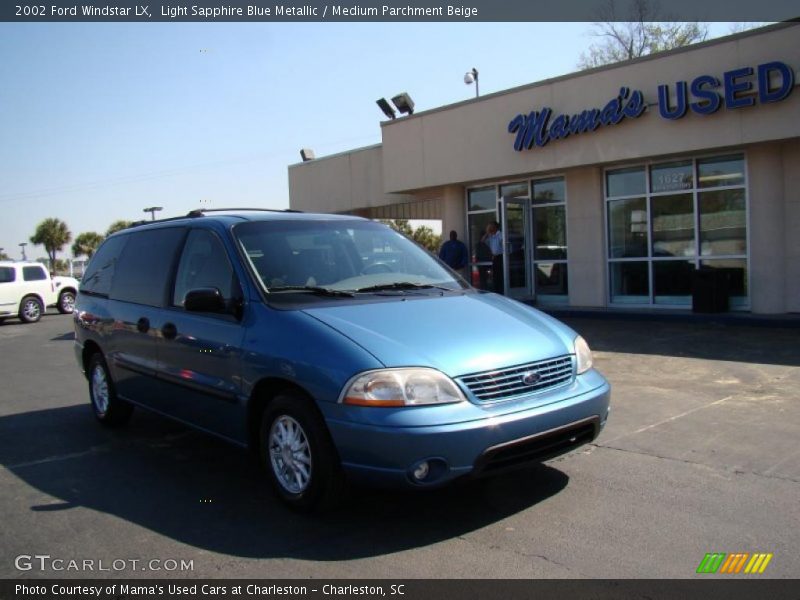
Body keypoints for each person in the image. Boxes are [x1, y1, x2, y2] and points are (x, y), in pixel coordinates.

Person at [482, 221, 504, 294]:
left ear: (494, 227)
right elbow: (482, 241)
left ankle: (501, 291)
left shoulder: (500, 234)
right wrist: (487, 233)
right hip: (494, 257)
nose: (489, 228)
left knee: (500, 276)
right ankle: (497, 292)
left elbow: (503, 242)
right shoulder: (491, 236)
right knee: (495, 277)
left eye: (490, 226)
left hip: (501, 257)